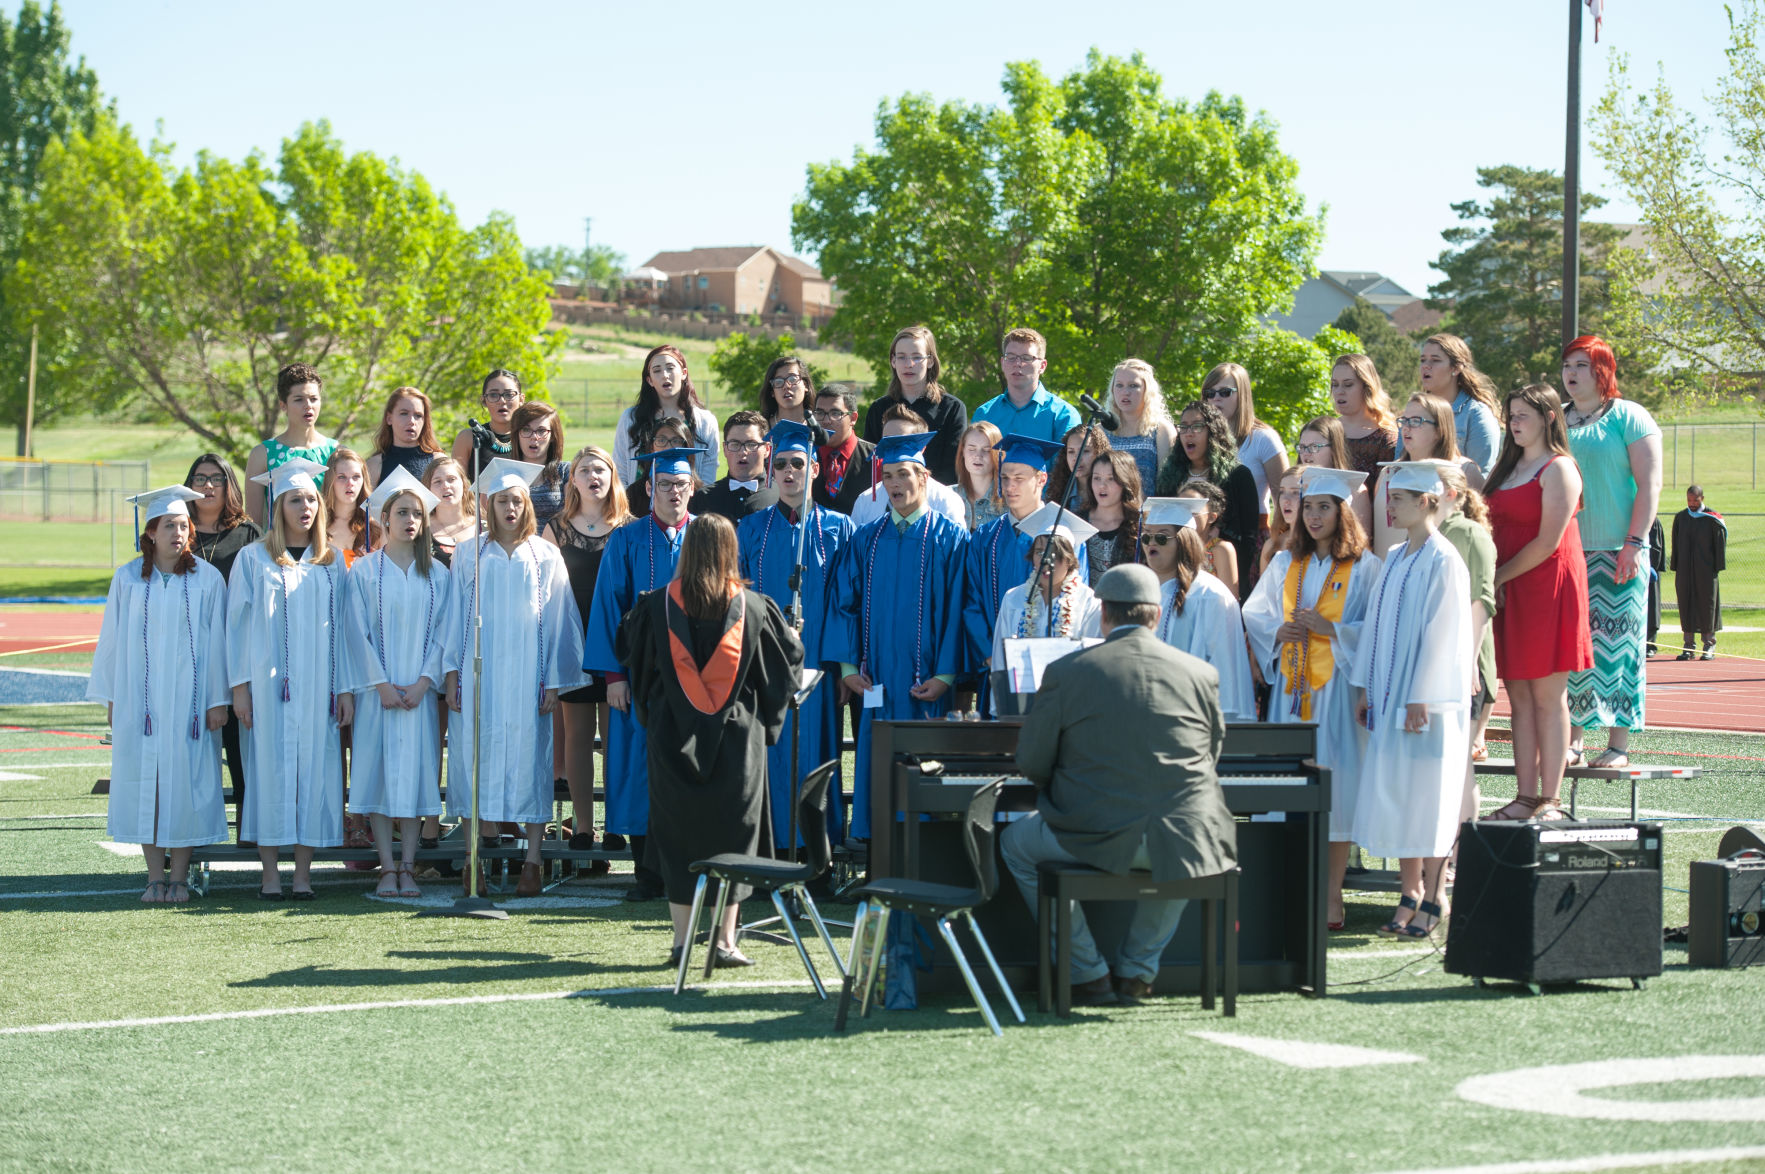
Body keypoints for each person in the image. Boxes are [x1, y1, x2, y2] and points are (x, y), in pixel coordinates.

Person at [1002, 563, 1237, 1007]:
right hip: (1183, 824)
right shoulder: (1199, 674)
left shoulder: (1068, 671)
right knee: (1187, 838)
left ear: (1105, 615)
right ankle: (1137, 971)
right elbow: (1212, 754)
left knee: (1015, 844)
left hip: (1096, 829)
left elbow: (1032, 762)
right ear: (1155, 615)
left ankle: (1086, 972)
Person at [618, 513, 804, 967]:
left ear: (687, 551)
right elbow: (781, 676)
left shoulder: (656, 606)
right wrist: (792, 639)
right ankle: (724, 941)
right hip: (738, 744)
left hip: (672, 739)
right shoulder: (757, 609)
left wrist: (656, 707)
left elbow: (636, 669)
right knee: (733, 838)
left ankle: (683, 944)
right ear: (730, 552)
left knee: (679, 837)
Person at [1242, 467, 1381, 930]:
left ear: (1343, 513)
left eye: (1325, 506)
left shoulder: (1365, 567)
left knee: (1335, 789)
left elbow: (1377, 632)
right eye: (1308, 507)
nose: (1315, 515)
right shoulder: (1285, 563)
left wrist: (1333, 630)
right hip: (1292, 692)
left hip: (1338, 693)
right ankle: (1288, 888)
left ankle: (1331, 896)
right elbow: (1254, 613)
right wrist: (1277, 631)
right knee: (1290, 787)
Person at [443, 457, 585, 898]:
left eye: (517, 501)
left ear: (528, 506)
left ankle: (533, 860)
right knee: (472, 759)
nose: (510, 509)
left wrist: (556, 680)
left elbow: (561, 619)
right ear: (489, 505)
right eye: (502, 500)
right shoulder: (470, 553)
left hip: (529, 675)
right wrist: (451, 674)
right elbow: (453, 616)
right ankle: (472, 862)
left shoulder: (545, 554)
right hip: (477, 671)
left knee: (532, 760)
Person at [826, 430, 970, 840]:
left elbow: (959, 611)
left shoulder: (950, 538)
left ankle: (926, 861)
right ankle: (877, 861)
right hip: (878, 682)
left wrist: (945, 676)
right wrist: (849, 667)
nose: (895, 484)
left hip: (928, 682)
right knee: (878, 759)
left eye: (904, 474)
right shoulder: (865, 540)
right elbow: (843, 605)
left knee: (925, 765)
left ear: (924, 478)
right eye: (887, 475)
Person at [1350, 462, 1473, 939]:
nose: (1389, 506)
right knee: (1400, 795)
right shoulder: (1397, 557)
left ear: (1426, 501)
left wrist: (1423, 695)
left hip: (1426, 705)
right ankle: (1408, 892)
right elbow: (1377, 628)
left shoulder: (1445, 561)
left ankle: (1436, 891)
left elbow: (1446, 637)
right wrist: (1363, 686)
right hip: (1388, 697)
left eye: (1398, 498)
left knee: (1430, 797)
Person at [90, 486, 230, 904]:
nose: (178, 533)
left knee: (185, 785)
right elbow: (111, 642)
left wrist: (216, 698)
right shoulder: (128, 578)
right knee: (146, 783)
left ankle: (181, 877)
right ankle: (154, 876)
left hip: (191, 704)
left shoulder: (206, 579)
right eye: (169, 525)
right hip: (141, 703)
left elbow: (220, 643)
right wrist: (114, 697)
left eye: (184, 525)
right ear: (150, 532)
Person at [229, 457, 352, 900]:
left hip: (319, 687)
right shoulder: (251, 558)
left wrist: (344, 690)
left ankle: (302, 873)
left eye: (311, 499)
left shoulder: (332, 561)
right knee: (267, 772)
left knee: (314, 774)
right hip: (266, 687)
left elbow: (345, 630)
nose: (305, 507)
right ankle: (269, 873)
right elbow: (236, 628)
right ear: (278, 506)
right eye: (295, 499)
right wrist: (240, 687)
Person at [584, 447, 703, 898]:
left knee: (688, 769)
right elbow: (607, 608)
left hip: (697, 681)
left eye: (682, 485)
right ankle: (646, 873)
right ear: (650, 488)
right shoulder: (626, 540)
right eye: (666, 485)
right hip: (641, 679)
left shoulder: (707, 538)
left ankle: (686, 870)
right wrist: (614, 677)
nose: (674, 492)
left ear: (693, 489)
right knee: (638, 771)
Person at [737, 421, 856, 850]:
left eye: (799, 464)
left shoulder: (840, 529)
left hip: (819, 668)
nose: (789, 472)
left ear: (815, 470)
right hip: (764, 668)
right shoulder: (751, 530)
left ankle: (816, 852)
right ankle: (769, 849)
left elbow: (847, 605)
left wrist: (844, 667)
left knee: (816, 754)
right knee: (768, 755)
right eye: (782, 464)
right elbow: (738, 601)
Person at [1482, 386, 1593, 822]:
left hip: (1547, 587)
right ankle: (1525, 797)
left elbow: (1549, 542)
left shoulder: (1559, 467)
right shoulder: (1507, 467)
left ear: (1548, 416)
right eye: (1511, 415)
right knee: (1520, 698)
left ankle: (1551, 799)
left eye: (1523, 415)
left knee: (1548, 697)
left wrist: (1498, 577)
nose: (1514, 422)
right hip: (1509, 587)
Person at [346, 469, 452, 899]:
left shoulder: (438, 575)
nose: (410, 520)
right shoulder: (366, 572)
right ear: (384, 519)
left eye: (417, 514)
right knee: (379, 778)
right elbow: (356, 633)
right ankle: (386, 867)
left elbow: (446, 633)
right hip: (379, 696)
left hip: (420, 696)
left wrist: (426, 682)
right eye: (401, 512)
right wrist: (380, 684)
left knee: (416, 780)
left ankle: (409, 866)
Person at [1562, 335, 1663, 767]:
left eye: (1582, 365)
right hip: (1567, 552)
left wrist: (1634, 544)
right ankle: (1573, 740)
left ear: (1603, 370)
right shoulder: (1557, 421)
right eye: (1567, 364)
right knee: (1573, 649)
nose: (1571, 373)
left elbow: (1649, 485)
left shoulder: (1630, 417)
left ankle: (1618, 744)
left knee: (1619, 646)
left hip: (1619, 552)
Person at [545, 445, 629, 850]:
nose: (593, 476)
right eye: (584, 470)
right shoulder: (555, 529)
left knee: (615, 739)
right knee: (577, 736)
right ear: (572, 480)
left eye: (601, 470)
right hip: (573, 643)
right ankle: (582, 826)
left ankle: (615, 822)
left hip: (616, 646)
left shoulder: (629, 527)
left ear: (613, 476)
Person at [183, 453, 261, 837]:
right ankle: (196, 828)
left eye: (217, 478)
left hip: (236, 652)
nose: (208, 485)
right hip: (188, 654)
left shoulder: (248, 534)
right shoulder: (179, 531)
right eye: (200, 478)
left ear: (230, 484)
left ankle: (248, 829)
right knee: (193, 747)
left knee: (238, 742)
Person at [1141, 497, 1257, 724]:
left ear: (1184, 542)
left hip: (1196, 720)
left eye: (1162, 537)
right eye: (1146, 536)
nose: (1151, 543)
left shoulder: (1208, 595)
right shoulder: (1144, 591)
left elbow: (1223, 669)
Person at [989, 505, 1103, 695]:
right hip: (1022, 704)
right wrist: (1003, 709)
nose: (1045, 560)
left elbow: (1093, 661)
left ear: (1069, 560)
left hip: (1070, 703)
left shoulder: (1089, 603)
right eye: (1039, 552)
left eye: (1055, 553)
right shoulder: (1014, 599)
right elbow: (1001, 660)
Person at [1156, 400, 1260, 600]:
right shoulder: (1170, 477)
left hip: (1221, 572)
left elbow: (1248, 538)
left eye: (1197, 426)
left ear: (1213, 432)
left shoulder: (1238, 475)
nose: (1188, 433)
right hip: (1176, 571)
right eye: (1184, 427)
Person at [1432, 463, 1500, 768]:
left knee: (1458, 770)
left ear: (1450, 494)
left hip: (1464, 667)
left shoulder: (1470, 535)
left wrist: (1470, 662)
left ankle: (1466, 819)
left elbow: (1482, 602)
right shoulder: (1423, 537)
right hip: (1437, 662)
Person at [1372, 394, 1484, 557]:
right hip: (1389, 574)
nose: (1406, 427)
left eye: (1416, 421)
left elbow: (1477, 537)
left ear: (1439, 431)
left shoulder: (1464, 471)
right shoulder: (1389, 473)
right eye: (1404, 420)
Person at [861, 325, 968, 485]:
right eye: (902, 357)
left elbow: (953, 468)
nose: (909, 364)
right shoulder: (878, 409)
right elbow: (871, 466)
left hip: (936, 499)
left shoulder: (952, 409)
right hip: (888, 497)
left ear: (930, 361)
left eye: (917, 357)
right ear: (893, 361)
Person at [241, 362, 338, 526]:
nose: (308, 405)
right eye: (299, 399)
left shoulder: (335, 452)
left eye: (314, 399)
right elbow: (253, 524)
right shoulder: (262, 454)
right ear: (283, 405)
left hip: (325, 547)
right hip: (275, 548)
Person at [612, 345, 721, 486]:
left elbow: (708, 474)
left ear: (684, 373)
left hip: (688, 505)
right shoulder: (631, 418)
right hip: (639, 505)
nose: (664, 375)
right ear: (649, 380)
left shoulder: (705, 421)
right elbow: (620, 470)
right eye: (657, 370)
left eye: (670, 368)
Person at [1202, 362, 1289, 527]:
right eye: (1210, 393)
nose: (1216, 398)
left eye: (1225, 392)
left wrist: (1281, 541)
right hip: (1208, 534)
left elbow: (1284, 498)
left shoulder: (1263, 438)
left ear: (1242, 395)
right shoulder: (1198, 438)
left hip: (1252, 531)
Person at [849, 407, 967, 528]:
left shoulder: (946, 501)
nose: (895, 448)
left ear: (922, 448)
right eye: (888, 442)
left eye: (902, 441)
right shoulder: (865, 502)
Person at [1405, 334, 1502, 476]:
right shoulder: (1413, 410)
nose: (1426, 366)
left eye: (1435, 360)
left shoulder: (1476, 415)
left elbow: (1481, 477)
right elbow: (1401, 464)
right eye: (1423, 360)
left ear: (1456, 368)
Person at [971, 327, 1081, 442]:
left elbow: (1070, 459)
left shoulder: (1064, 415)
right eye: (1011, 357)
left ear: (1042, 366)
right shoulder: (984, 415)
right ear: (1003, 363)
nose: (1018, 364)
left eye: (1027, 358)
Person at [691, 410, 779, 522]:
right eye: (735, 444)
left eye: (751, 444)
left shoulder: (781, 497)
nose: (743, 452)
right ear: (725, 449)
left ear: (767, 449)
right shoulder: (703, 499)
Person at [1671, 485, 1726, 660]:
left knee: (1707, 605)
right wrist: (1676, 566)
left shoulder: (1712, 519)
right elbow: (1675, 543)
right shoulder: (1681, 518)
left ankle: (1709, 645)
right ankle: (1688, 646)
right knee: (1686, 604)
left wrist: (1716, 568)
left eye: (1695, 500)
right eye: (1689, 500)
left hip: (1706, 571)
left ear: (1702, 498)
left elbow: (1719, 545)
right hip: (1685, 569)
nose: (1692, 503)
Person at [1296, 415, 1374, 535]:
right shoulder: (1293, 485)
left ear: (1334, 448)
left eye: (1314, 447)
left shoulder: (1356, 490)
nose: (1306, 453)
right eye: (1302, 447)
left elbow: (1361, 544)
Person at [1108, 359, 1177, 491]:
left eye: (1133, 386)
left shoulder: (1163, 430)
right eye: (1119, 385)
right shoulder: (1100, 430)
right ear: (1112, 390)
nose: (1125, 392)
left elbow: (1167, 487)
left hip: (1148, 510)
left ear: (1147, 390)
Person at [1329, 354, 1399, 477]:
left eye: (1348, 384)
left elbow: (1388, 492)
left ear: (1367, 388)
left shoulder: (1385, 438)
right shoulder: (1325, 431)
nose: (1339, 391)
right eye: (1335, 384)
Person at [450, 369, 524, 482]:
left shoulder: (530, 436)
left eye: (509, 394)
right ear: (484, 401)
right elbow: (457, 486)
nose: (502, 401)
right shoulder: (468, 437)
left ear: (521, 399)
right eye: (494, 395)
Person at [812, 383, 874, 514]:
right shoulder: (806, 455)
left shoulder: (876, 457)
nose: (826, 420)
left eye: (835, 413)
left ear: (853, 418)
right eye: (820, 413)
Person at [508, 401, 570, 532]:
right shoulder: (505, 473)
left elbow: (573, 516)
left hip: (555, 547)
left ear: (553, 436)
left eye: (541, 431)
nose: (534, 437)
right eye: (526, 430)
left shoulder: (565, 472)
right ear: (516, 434)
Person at [366, 386, 445, 486]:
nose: (412, 421)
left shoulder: (439, 462)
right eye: (404, 413)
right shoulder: (374, 465)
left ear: (425, 421)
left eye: (418, 415)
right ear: (389, 418)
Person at [1084, 450, 1143, 576]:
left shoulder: (1141, 525)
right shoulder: (1078, 521)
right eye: (1097, 478)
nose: (1102, 485)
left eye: (1111, 479)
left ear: (1126, 482)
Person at [1176, 479, 1238, 600]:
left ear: (1211, 517)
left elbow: (1230, 600)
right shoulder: (1172, 546)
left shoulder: (1220, 549)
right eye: (1181, 509)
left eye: (1193, 511)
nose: (1186, 515)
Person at [760, 354, 829, 446]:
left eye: (792, 379)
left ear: (806, 385)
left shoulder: (820, 428)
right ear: (772, 392)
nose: (786, 386)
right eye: (778, 382)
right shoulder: (760, 428)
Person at [323, 447, 375, 565]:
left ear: (363, 481)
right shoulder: (318, 524)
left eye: (356, 477)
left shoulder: (375, 526)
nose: (350, 483)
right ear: (330, 481)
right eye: (342, 477)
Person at [1047, 423, 1111, 516]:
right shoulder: (1059, 491)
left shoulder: (1111, 489)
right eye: (1071, 451)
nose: (1076, 458)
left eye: (1085, 451)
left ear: (1099, 453)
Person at [423, 456, 476, 568]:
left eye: (451, 479)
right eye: (437, 481)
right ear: (428, 489)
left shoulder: (484, 527)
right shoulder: (420, 531)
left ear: (464, 484)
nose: (446, 486)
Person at [954, 420, 1006, 531]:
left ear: (997, 454)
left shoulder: (1010, 502)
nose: (978, 456)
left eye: (986, 450)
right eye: (972, 449)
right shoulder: (948, 496)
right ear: (962, 451)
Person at [1259, 467, 1303, 577]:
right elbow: (1263, 592)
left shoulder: (1322, 546)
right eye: (1282, 492)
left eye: (1295, 492)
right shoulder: (1271, 545)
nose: (1286, 499)